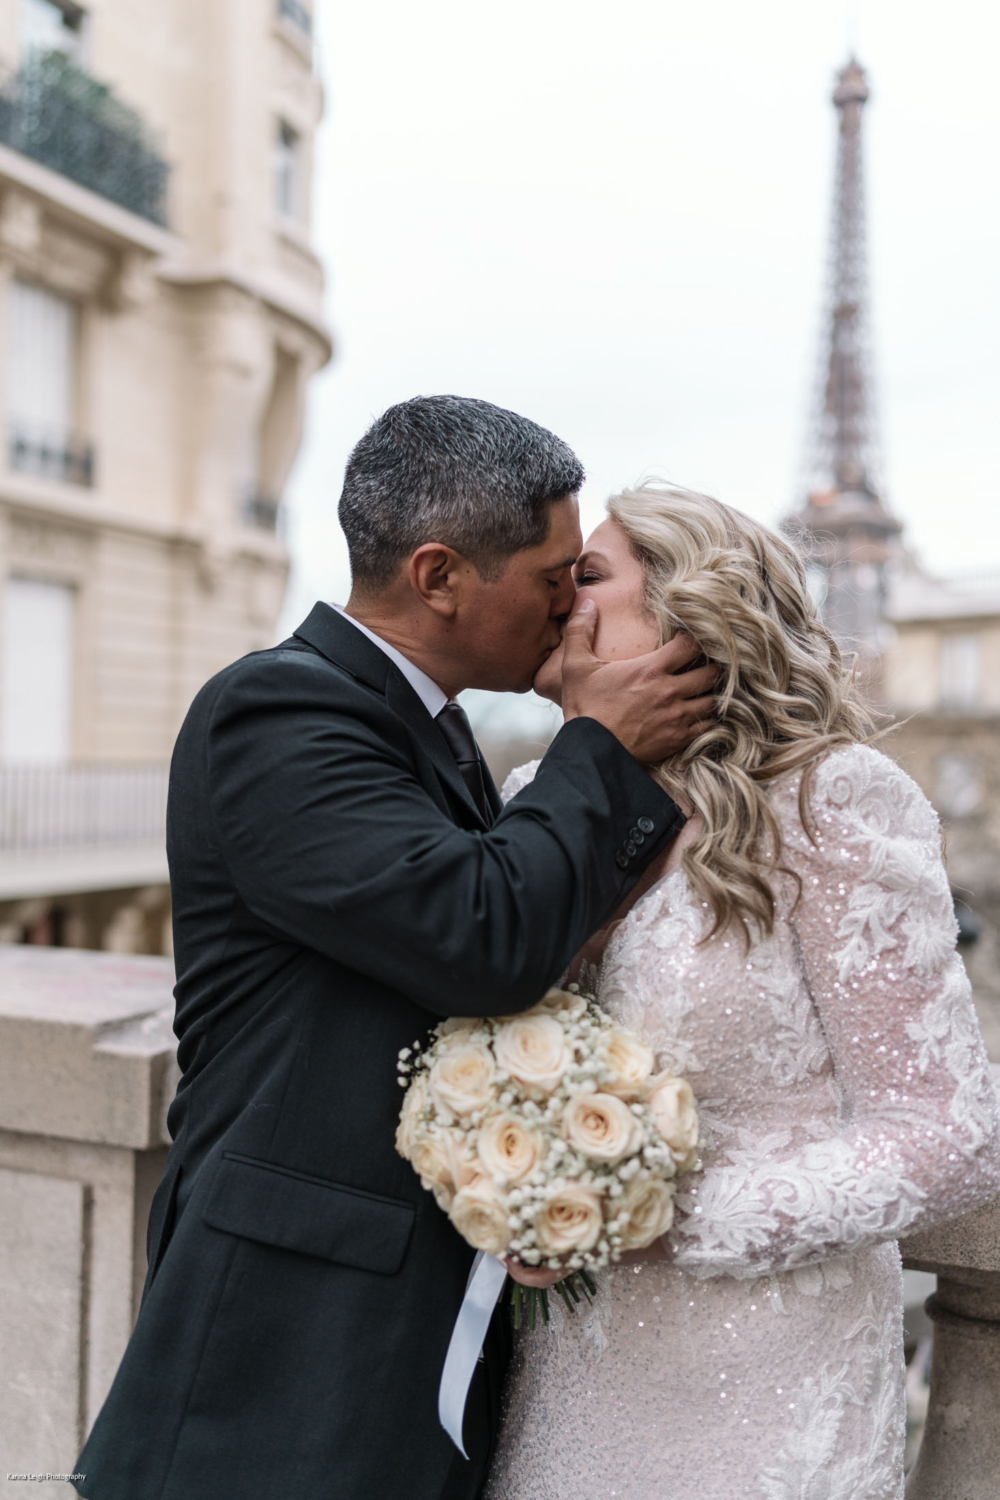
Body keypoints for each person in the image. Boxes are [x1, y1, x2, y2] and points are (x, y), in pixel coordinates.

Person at [74, 400, 717, 1500]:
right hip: (281, 1344)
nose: (570, 604)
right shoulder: (274, 713)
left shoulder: (421, 723)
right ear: (438, 575)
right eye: (552, 575)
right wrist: (600, 746)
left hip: (398, 1324)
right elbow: (482, 937)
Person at [487, 484, 1000, 1500]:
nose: (554, 599)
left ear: (690, 616)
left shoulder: (828, 799)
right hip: (566, 1378)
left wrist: (660, 1219)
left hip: (765, 1388)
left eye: (587, 577)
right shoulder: (528, 801)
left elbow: (952, 1136)